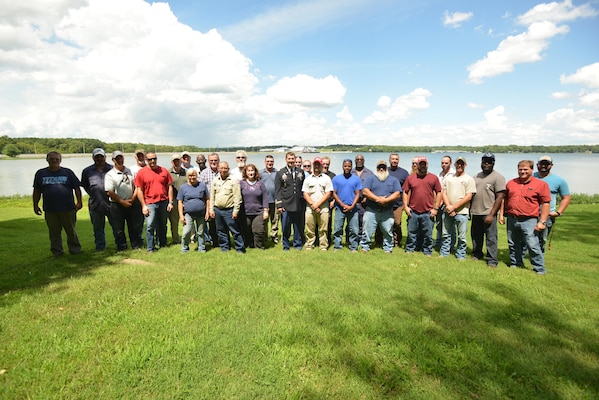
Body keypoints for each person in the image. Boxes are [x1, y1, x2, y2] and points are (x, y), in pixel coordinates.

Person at [504, 160, 551, 274]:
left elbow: (545, 203)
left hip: (529, 219)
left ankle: (539, 268)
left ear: (531, 169)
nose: (523, 172)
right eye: (520, 169)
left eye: (525, 169)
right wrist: (502, 214)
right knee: (513, 243)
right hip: (512, 218)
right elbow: (505, 199)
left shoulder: (540, 184)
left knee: (532, 244)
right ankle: (516, 263)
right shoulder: (511, 183)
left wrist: (542, 221)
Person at [33, 151, 82, 257]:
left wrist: (79, 202)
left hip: (68, 208)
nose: (54, 160)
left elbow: (77, 188)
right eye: (51, 159)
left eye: (56, 159)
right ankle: (57, 252)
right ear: (47, 160)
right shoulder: (40, 173)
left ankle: (75, 250)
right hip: (50, 209)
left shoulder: (68, 172)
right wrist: (35, 205)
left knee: (71, 231)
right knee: (54, 233)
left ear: (60, 160)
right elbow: (37, 191)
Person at [470, 153, 506, 267]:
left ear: (493, 163)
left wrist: (492, 214)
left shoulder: (498, 177)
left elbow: (500, 197)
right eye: (484, 161)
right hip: (476, 212)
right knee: (476, 236)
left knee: (491, 238)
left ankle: (492, 260)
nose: (486, 164)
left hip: (488, 212)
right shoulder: (476, 177)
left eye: (489, 162)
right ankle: (477, 254)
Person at [134, 151, 174, 253]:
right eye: (150, 159)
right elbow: (139, 190)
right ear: (146, 160)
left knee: (162, 224)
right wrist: (143, 205)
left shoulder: (164, 171)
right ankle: (150, 248)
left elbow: (169, 187)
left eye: (154, 159)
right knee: (150, 225)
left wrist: (170, 202)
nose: (152, 161)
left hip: (163, 201)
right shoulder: (142, 172)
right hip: (150, 203)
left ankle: (162, 244)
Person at [104, 150, 143, 251]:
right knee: (118, 228)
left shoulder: (130, 171)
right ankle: (122, 247)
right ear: (113, 160)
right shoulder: (110, 174)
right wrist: (121, 201)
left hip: (132, 203)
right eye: (117, 159)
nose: (120, 160)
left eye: (121, 158)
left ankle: (136, 245)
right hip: (117, 205)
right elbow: (110, 192)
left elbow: (137, 186)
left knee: (134, 226)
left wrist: (133, 199)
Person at [403, 157, 442, 256]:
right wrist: (406, 207)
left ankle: (427, 251)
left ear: (427, 165)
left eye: (424, 164)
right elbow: (405, 192)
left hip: (428, 212)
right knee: (411, 233)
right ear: (418, 165)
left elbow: (439, 193)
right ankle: (409, 249)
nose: (423, 166)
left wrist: (435, 208)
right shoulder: (411, 178)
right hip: (413, 211)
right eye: (421, 164)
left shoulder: (433, 178)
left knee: (428, 235)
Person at [359, 160, 401, 253]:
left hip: (387, 211)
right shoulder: (371, 179)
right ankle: (365, 247)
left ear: (386, 168)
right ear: (377, 168)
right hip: (371, 210)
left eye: (383, 167)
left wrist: (386, 200)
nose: (381, 169)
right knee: (367, 231)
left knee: (388, 231)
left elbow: (397, 193)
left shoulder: (393, 180)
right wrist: (377, 199)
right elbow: (365, 191)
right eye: (379, 167)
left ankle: (388, 248)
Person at [440, 157, 476, 260]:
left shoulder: (469, 179)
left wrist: (454, 207)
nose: (459, 165)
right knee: (446, 234)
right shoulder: (449, 178)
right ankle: (444, 253)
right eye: (458, 164)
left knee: (462, 237)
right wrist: (448, 206)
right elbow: (444, 193)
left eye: (462, 164)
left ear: (465, 165)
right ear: (454, 165)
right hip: (447, 211)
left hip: (462, 212)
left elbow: (469, 196)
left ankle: (460, 255)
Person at [534, 155, 571, 252]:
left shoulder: (559, 180)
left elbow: (566, 198)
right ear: (537, 164)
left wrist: (558, 212)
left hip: (547, 216)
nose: (543, 166)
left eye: (546, 164)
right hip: (530, 214)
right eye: (542, 163)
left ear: (551, 165)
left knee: (542, 239)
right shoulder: (530, 177)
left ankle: (539, 259)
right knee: (525, 238)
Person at [81, 148, 113, 252]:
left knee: (117, 226)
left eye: (101, 156)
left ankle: (121, 245)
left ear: (105, 157)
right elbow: (85, 185)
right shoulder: (87, 171)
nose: (99, 158)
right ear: (93, 158)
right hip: (95, 204)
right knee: (98, 229)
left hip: (112, 203)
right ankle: (100, 248)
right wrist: (93, 193)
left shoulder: (112, 169)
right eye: (97, 156)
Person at [209, 161, 245, 253]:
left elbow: (237, 197)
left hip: (230, 210)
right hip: (217, 210)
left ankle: (240, 248)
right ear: (218, 169)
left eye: (225, 168)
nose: (223, 170)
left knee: (235, 230)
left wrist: (236, 211)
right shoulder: (215, 180)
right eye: (221, 168)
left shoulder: (233, 180)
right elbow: (212, 196)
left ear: (228, 169)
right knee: (220, 231)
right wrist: (211, 209)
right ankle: (224, 248)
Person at [275, 151, 305, 251]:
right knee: (285, 227)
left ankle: (297, 244)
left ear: (295, 159)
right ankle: (286, 245)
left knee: (297, 226)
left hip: (297, 204)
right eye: (289, 159)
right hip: (286, 205)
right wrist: (279, 205)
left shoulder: (300, 172)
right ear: (286, 159)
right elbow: (278, 190)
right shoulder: (280, 173)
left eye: (293, 159)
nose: (291, 161)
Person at [302, 157, 333, 251]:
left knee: (323, 229)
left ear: (321, 165)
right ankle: (309, 245)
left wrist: (318, 204)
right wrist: (313, 204)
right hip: (310, 208)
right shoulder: (308, 179)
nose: (316, 166)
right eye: (315, 164)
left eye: (318, 164)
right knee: (309, 228)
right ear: (313, 165)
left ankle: (323, 246)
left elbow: (328, 194)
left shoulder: (326, 178)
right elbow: (305, 193)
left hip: (323, 208)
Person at [332, 159, 362, 252]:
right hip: (339, 208)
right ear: (342, 166)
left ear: (351, 166)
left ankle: (353, 247)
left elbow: (357, 193)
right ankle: (337, 246)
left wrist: (352, 205)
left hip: (353, 208)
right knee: (338, 228)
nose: (347, 168)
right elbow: (334, 193)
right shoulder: (336, 179)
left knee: (354, 229)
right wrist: (341, 204)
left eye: (349, 166)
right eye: (345, 166)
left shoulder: (356, 179)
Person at [177, 168, 209, 253]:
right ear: (187, 176)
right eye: (190, 175)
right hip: (188, 214)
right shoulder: (183, 188)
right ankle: (184, 249)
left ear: (197, 176)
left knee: (200, 232)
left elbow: (207, 199)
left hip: (201, 213)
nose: (192, 177)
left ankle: (201, 248)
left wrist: (207, 212)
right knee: (186, 232)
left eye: (194, 175)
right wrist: (181, 215)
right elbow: (180, 202)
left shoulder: (202, 186)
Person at [240, 164, 269, 249]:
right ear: (245, 172)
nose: (250, 172)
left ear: (255, 172)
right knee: (246, 230)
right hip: (245, 212)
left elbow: (265, 198)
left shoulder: (260, 184)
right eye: (248, 171)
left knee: (258, 230)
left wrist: (266, 211)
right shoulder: (241, 183)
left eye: (252, 170)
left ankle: (259, 247)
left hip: (258, 212)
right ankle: (249, 245)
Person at [387, 153, 410, 247]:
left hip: (398, 203)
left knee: (397, 223)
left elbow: (407, 189)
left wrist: (406, 204)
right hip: (386, 203)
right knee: (384, 223)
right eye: (392, 159)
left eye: (396, 159)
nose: (394, 161)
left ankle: (397, 242)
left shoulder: (404, 173)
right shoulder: (385, 171)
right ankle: (381, 240)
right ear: (389, 160)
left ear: (398, 160)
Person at [434, 155, 455, 250]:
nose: (444, 164)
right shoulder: (439, 174)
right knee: (439, 224)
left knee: (449, 226)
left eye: (446, 163)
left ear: (450, 163)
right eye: (442, 163)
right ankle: (438, 242)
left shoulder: (454, 174)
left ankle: (451, 245)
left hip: (448, 202)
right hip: (439, 203)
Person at [199, 152, 220, 245]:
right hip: (209, 202)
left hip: (221, 201)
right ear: (208, 161)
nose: (214, 162)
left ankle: (223, 242)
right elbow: (199, 188)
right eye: (211, 160)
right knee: (212, 224)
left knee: (221, 224)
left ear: (218, 161)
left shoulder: (223, 171)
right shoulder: (204, 173)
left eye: (215, 160)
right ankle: (214, 242)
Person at [351, 154, 374, 236]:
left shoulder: (369, 173)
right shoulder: (351, 172)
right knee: (352, 222)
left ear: (364, 161)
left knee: (363, 221)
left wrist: (367, 198)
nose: (359, 161)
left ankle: (361, 238)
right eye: (357, 159)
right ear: (355, 161)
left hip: (364, 202)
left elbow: (373, 187)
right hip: (352, 202)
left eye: (361, 159)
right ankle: (350, 238)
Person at [168, 154, 187, 245]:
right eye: (174, 161)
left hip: (186, 200)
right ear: (172, 162)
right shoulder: (168, 173)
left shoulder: (186, 172)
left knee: (187, 219)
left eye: (178, 161)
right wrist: (170, 202)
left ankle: (189, 238)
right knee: (174, 221)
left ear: (181, 161)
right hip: (174, 200)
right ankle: (175, 239)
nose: (176, 163)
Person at [260, 155, 279, 244]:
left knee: (275, 220)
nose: (269, 163)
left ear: (273, 162)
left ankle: (274, 236)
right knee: (264, 220)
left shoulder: (277, 173)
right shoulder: (260, 173)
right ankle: (264, 237)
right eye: (268, 161)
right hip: (264, 201)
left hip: (275, 200)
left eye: (271, 161)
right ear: (265, 162)